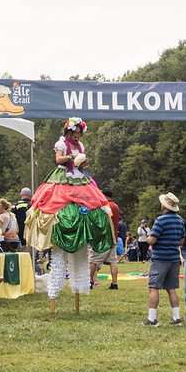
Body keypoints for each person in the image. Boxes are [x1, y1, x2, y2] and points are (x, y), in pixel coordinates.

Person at [29, 117, 115, 313]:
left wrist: (81, 162)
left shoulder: (80, 144)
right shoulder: (61, 143)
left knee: (90, 201)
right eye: (76, 132)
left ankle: (79, 288)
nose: (78, 135)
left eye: (79, 133)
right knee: (56, 203)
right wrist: (71, 158)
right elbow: (58, 159)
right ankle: (54, 295)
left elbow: (80, 161)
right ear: (69, 131)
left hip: (78, 175)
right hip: (62, 175)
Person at [142, 192, 185, 327]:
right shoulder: (180, 220)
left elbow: (152, 240)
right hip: (173, 258)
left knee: (153, 287)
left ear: (164, 205)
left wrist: (149, 238)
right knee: (171, 288)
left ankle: (152, 318)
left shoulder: (160, 220)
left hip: (160, 258)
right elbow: (182, 240)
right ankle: (177, 317)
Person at [90, 188, 121, 289]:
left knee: (94, 260)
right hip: (114, 237)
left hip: (104, 238)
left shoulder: (104, 206)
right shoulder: (116, 206)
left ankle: (89, 281)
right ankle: (114, 283)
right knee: (113, 261)